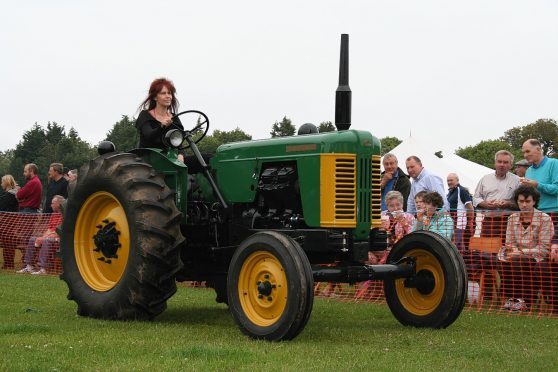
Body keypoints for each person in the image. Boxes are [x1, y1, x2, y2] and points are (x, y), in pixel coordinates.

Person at [501, 185, 554, 312]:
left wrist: (520, 252)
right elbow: (509, 243)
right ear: (517, 201)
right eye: (521, 201)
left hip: (537, 257)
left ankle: (523, 300)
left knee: (518, 261)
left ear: (534, 201)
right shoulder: (512, 218)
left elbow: (544, 248)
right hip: (515, 255)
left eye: (527, 201)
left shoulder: (545, 219)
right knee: (502, 262)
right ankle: (511, 298)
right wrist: (513, 251)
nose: (524, 205)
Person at [136, 78, 185, 162]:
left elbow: (179, 140)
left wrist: (181, 154)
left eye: (169, 93)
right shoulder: (145, 115)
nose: (168, 96)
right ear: (155, 97)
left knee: (208, 158)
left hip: (171, 158)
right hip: (150, 159)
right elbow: (149, 136)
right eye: (163, 93)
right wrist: (162, 126)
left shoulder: (174, 118)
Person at [473, 150, 520, 238]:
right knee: (486, 249)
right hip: (489, 221)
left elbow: (521, 202)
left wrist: (508, 203)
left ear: (511, 165)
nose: (502, 165)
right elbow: (475, 198)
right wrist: (485, 204)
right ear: (495, 163)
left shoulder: (517, 180)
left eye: (505, 162)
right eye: (499, 161)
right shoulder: (485, 179)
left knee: (508, 249)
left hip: (509, 221)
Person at [17, 195, 64, 275]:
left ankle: (43, 268)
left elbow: (59, 232)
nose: (51, 205)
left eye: (52, 203)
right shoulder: (53, 215)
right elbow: (49, 229)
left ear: (59, 204)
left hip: (60, 239)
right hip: (51, 236)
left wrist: (44, 238)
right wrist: (42, 237)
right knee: (32, 239)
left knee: (46, 241)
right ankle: (29, 266)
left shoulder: (64, 215)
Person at [521, 139, 558, 215]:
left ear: (538, 149)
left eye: (527, 151)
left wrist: (537, 185)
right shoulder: (528, 170)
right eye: (524, 152)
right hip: (534, 213)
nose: (525, 155)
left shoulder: (554, 163)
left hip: (553, 212)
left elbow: (556, 189)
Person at [446, 173, 474, 250]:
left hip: (460, 223)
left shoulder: (461, 190)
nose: (449, 182)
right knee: (456, 244)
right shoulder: (450, 192)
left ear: (457, 180)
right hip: (452, 222)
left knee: (457, 243)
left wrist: (470, 221)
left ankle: (461, 260)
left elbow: (470, 207)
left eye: (451, 180)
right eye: (448, 181)